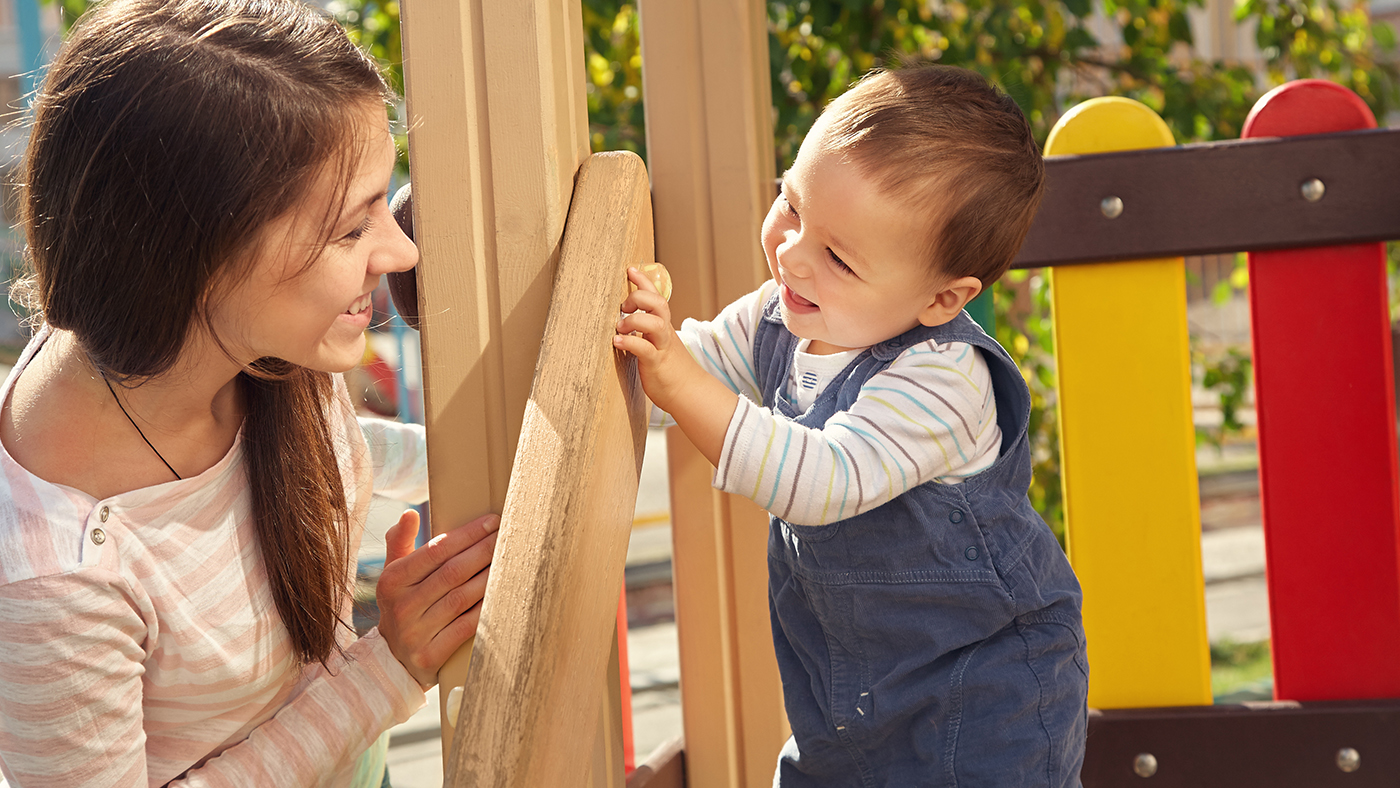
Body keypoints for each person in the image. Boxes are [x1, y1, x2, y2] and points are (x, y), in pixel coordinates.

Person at [0, 0, 497, 785]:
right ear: (198, 253)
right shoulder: (55, 581)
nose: (399, 251)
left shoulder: (242, 347)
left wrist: (494, 455)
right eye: (350, 228)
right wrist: (387, 670)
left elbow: (335, 454)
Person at [616, 64, 1088, 786]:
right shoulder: (783, 312)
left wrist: (676, 376)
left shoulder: (943, 379)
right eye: (791, 204)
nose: (793, 254)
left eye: (837, 256)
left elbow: (821, 480)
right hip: (847, 698)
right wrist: (643, 339)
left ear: (941, 298)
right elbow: (689, 366)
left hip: (984, 699)